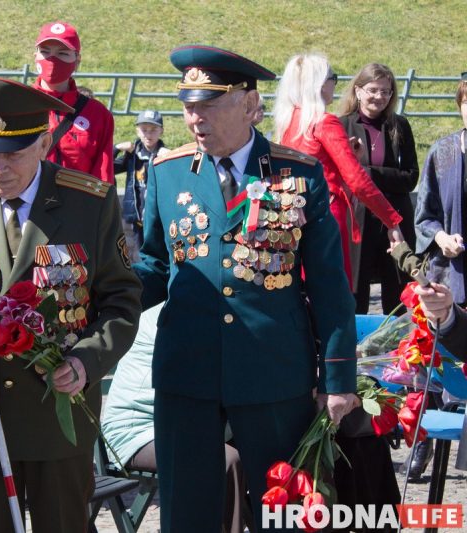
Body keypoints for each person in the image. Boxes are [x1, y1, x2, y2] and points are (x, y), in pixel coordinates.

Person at [134, 44, 358, 532]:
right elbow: (152, 265)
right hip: (187, 369)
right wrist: (103, 305)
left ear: (249, 104)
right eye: (188, 106)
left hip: (272, 369)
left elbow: (328, 284)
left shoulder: (297, 172)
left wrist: (339, 379)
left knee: (283, 507)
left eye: (209, 105)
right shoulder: (168, 172)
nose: (195, 119)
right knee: (186, 509)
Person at [0, 76, 141, 532]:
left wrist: (86, 361)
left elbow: (121, 301)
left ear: (44, 143)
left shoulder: (88, 203)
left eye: (13, 153)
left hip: (58, 418)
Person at [102, 302, 253, 533]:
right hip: (138, 432)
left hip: (186, 423)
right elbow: (211, 386)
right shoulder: (178, 316)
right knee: (225, 460)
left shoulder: (209, 313)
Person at [273, 53, 404, 288]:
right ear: (320, 83)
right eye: (332, 77)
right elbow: (357, 180)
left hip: (293, 215)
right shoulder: (324, 122)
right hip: (326, 214)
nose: (335, 83)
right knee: (331, 290)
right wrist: (391, 220)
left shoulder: (287, 122)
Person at [339, 63, 419, 315]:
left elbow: (410, 177)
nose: (380, 97)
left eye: (386, 92)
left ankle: (401, 349)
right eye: (374, 90)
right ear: (359, 91)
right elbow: (339, 175)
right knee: (356, 289)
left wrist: (369, 173)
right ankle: (355, 349)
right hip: (358, 220)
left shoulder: (400, 126)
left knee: (397, 289)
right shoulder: (342, 126)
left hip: (394, 221)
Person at [32, 21, 116, 184]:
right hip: (26, 207)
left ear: (77, 60)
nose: (52, 59)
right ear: (35, 56)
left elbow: (102, 177)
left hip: (76, 206)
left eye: (63, 53)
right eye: (45, 51)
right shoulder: (16, 104)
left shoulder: (98, 115)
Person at [415, 73, 467, 306]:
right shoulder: (442, 153)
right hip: (452, 275)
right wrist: (442, 237)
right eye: (466, 102)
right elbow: (425, 217)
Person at [114, 110, 169, 261]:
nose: (148, 134)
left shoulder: (165, 155)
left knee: (159, 255)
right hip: (138, 218)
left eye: (153, 130)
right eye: (144, 130)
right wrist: (117, 148)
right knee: (140, 256)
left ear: (161, 131)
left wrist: (171, 157)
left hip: (158, 218)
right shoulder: (132, 155)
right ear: (137, 131)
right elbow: (109, 167)